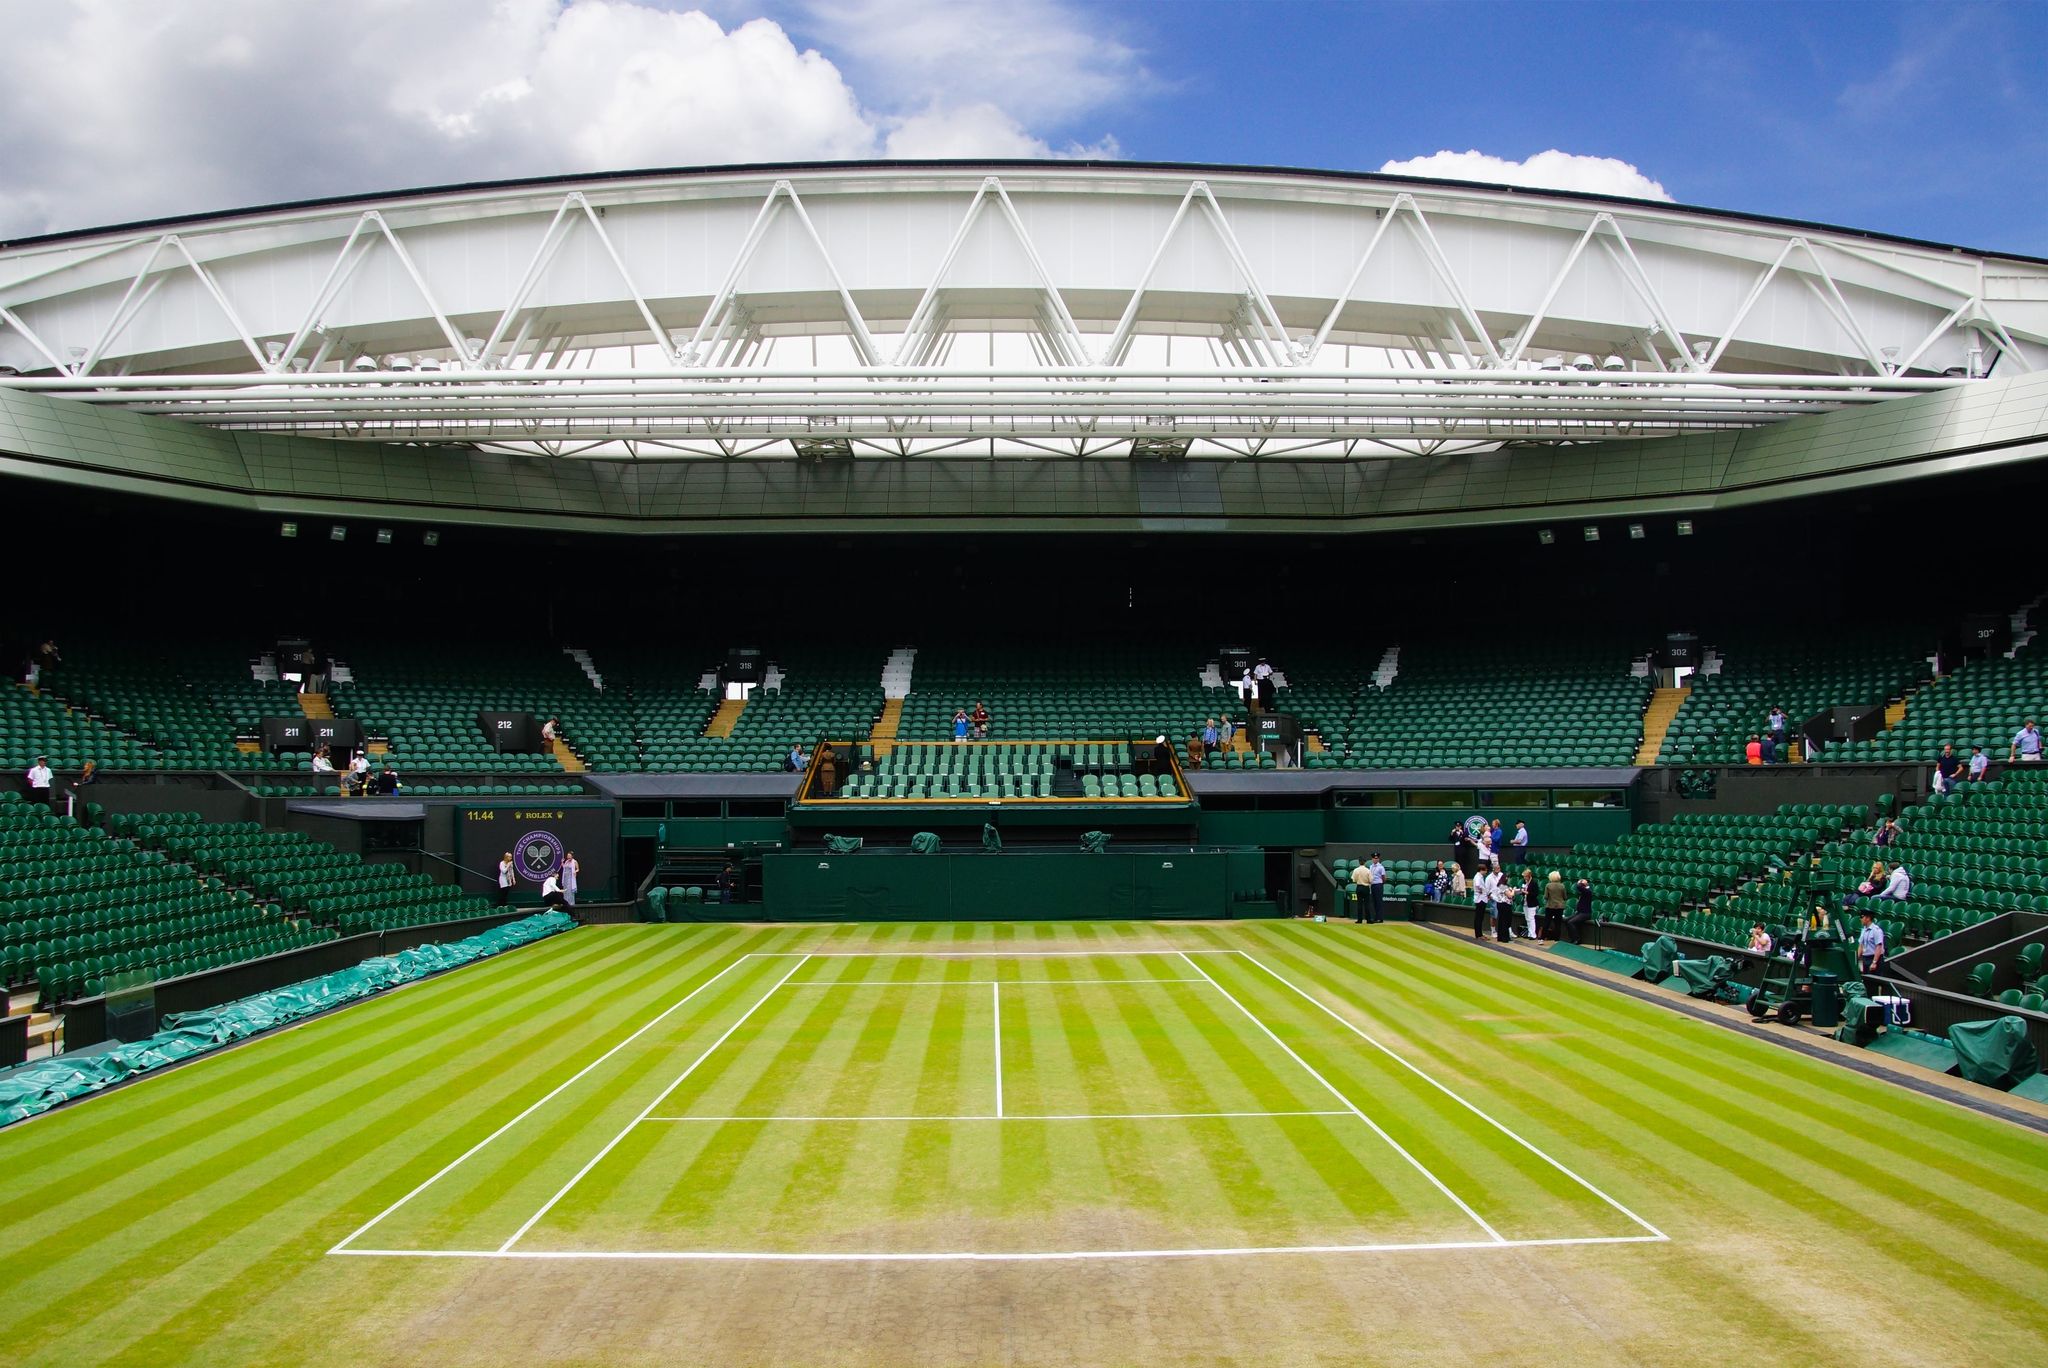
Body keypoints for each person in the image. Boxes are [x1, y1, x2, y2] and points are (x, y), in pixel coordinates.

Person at [1565, 878, 1594, 945]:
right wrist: (1582, 882)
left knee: (1571, 922)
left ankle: (1577, 939)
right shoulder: (1584, 891)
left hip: (1585, 913)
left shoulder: (1588, 891)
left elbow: (1578, 886)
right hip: (1579, 912)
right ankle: (1572, 938)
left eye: (1582, 883)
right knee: (1567, 920)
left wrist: (1580, 882)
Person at [1492, 866, 1517, 942]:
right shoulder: (1502, 886)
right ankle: (1505, 938)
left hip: (1502, 904)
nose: (1509, 879)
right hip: (1504, 905)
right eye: (1508, 878)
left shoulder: (1502, 886)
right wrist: (1514, 890)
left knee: (1502, 921)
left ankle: (1501, 937)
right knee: (1505, 921)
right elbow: (1510, 895)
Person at [1470, 865, 1495, 939]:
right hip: (1480, 899)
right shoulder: (1478, 876)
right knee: (1479, 917)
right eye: (1485, 870)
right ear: (1481, 870)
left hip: (1481, 899)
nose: (1486, 872)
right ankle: (1478, 935)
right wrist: (1481, 891)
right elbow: (1478, 885)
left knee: (1480, 917)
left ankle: (1480, 934)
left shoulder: (1479, 876)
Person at [1542, 870, 1568, 939]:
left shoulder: (1548, 885)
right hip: (1560, 907)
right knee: (1558, 924)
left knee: (1547, 922)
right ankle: (1557, 939)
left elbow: (1546, 897)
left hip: (1550, 906)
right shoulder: (1562, 886)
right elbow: (1565, 897)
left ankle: (1541, 938)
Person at [1521, 868, 1541, 940]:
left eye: (1525, 876)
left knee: (1531, 918)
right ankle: (1529, 933)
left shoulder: (1534, 883)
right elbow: (1522, 889)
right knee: (1527, 919)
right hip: (1525, 902)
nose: (1524, 878)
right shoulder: (1524, 881)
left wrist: (1528, 893)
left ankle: (1533, 935)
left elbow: (1536, 894)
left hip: (1532, 903)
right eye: (1524, 876)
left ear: (1529, 875)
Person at [1366, 854, 1386, 924]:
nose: (1375, 859)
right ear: (1372, 859)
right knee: (1374, 902)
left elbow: (1383, 877)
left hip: (1378, 884)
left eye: (1376, 858)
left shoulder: (1381, 867)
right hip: (1373, 885)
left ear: (1378, 859)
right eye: (1374, 858)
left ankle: (1380, 918)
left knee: (1379, 902)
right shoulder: (1371, 866)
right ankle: (1376, 917)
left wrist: (1381, 883)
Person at [1349, 859, 1371, 924]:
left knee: (1359, 904)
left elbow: (1354, 880)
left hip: (1359, 887)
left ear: (1359, 863)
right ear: (1365, 862)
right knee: (1367, 904)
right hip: (1366, 887)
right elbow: (1371, 880)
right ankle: (1368, 920)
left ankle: (1359, 920)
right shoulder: (1368, 870)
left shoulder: (1356, 870)